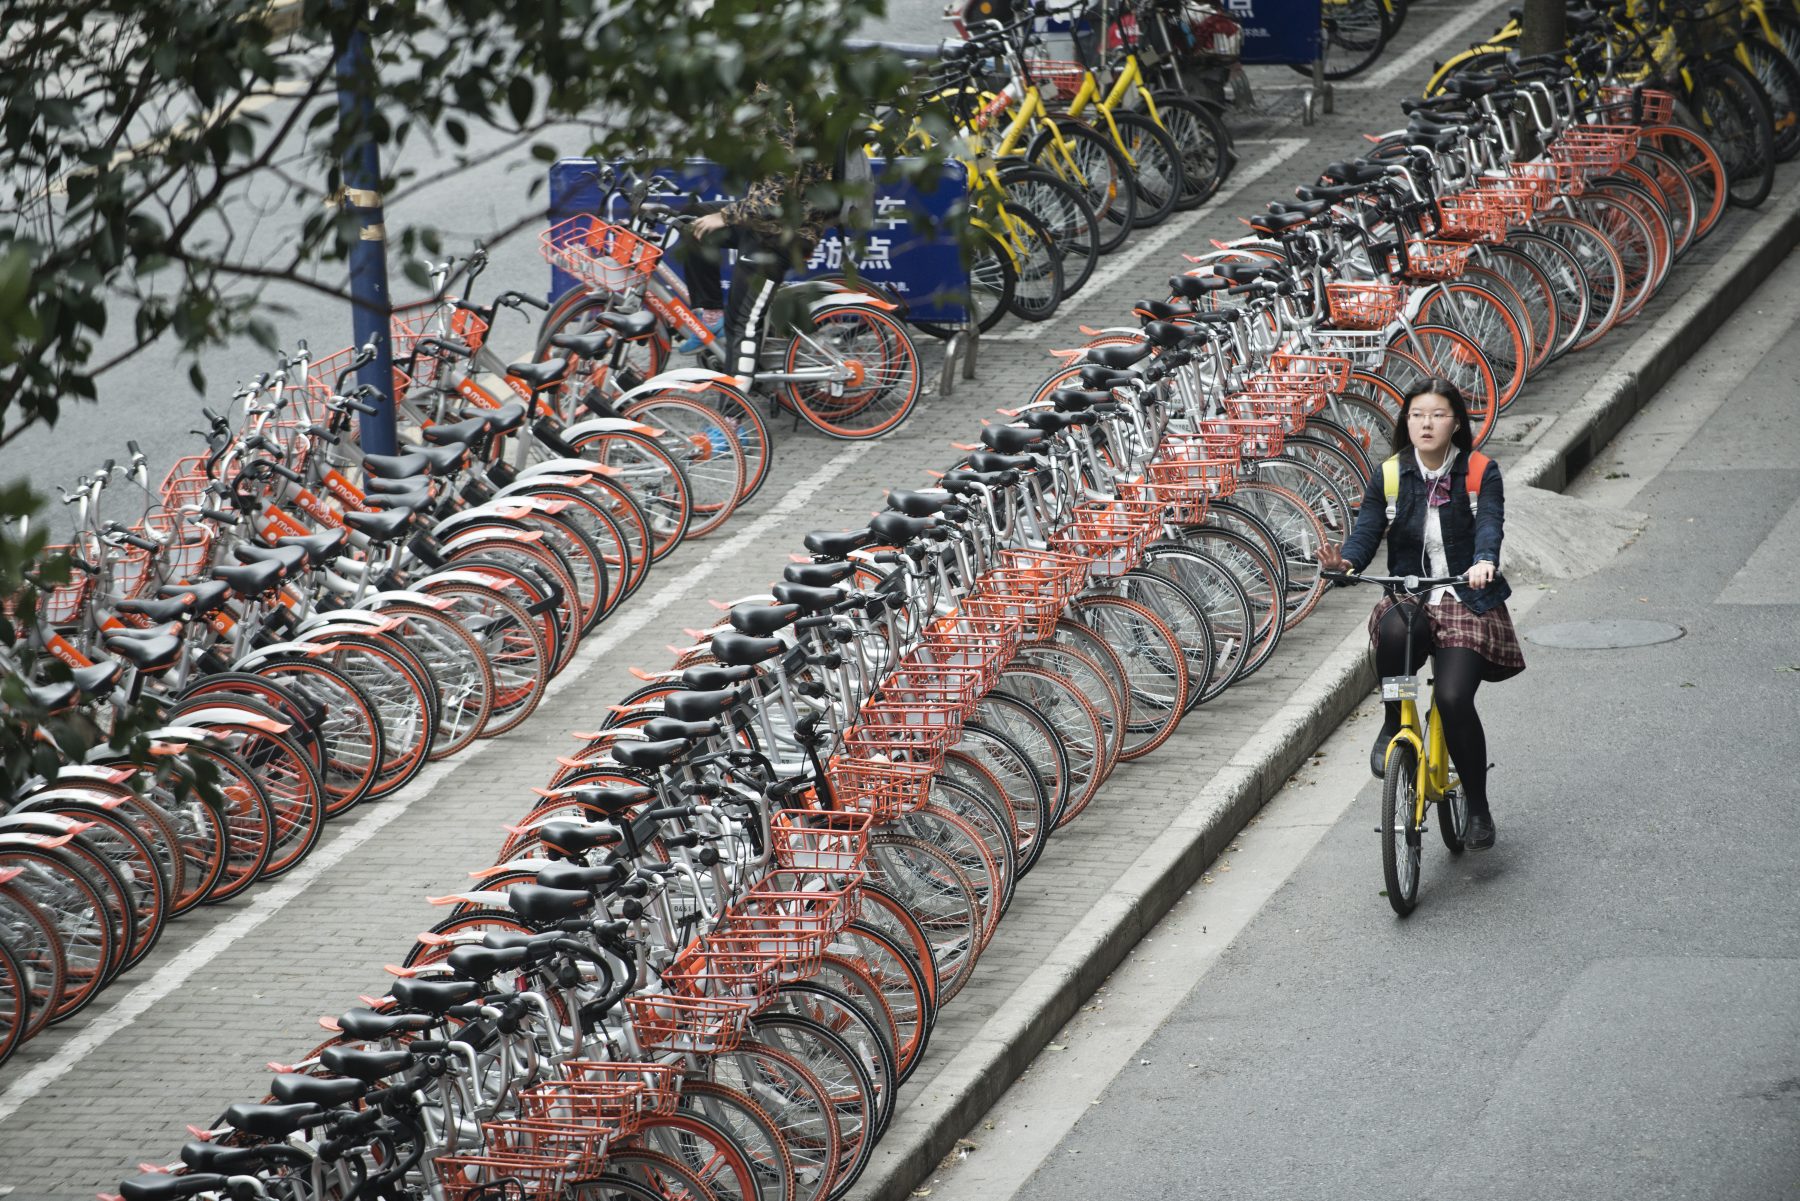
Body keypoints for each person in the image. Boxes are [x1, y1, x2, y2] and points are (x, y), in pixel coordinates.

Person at [1317, 378, 1526, 851]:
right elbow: (1367, 532)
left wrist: (1484, 560)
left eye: (1436, 415)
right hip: (1410, 593)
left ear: (1455, 422)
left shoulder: (1478, 471)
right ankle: (1394, 721)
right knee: (1393, 635)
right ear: (1405, 422)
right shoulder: (1390, 474)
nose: (1425, 424)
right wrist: (1345, 563)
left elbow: (1490, 521)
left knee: (1453, 700)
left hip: (1465, 598)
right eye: (1416, 415)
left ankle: (1477, 807)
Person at [671, 89, 832, 387]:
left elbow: (773, 198)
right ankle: (711, 314)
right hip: (767, 220)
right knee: (691, 221)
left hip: (783, 231)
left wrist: (725, 217)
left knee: (742, 324)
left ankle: (735, 422)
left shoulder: (778, 107)